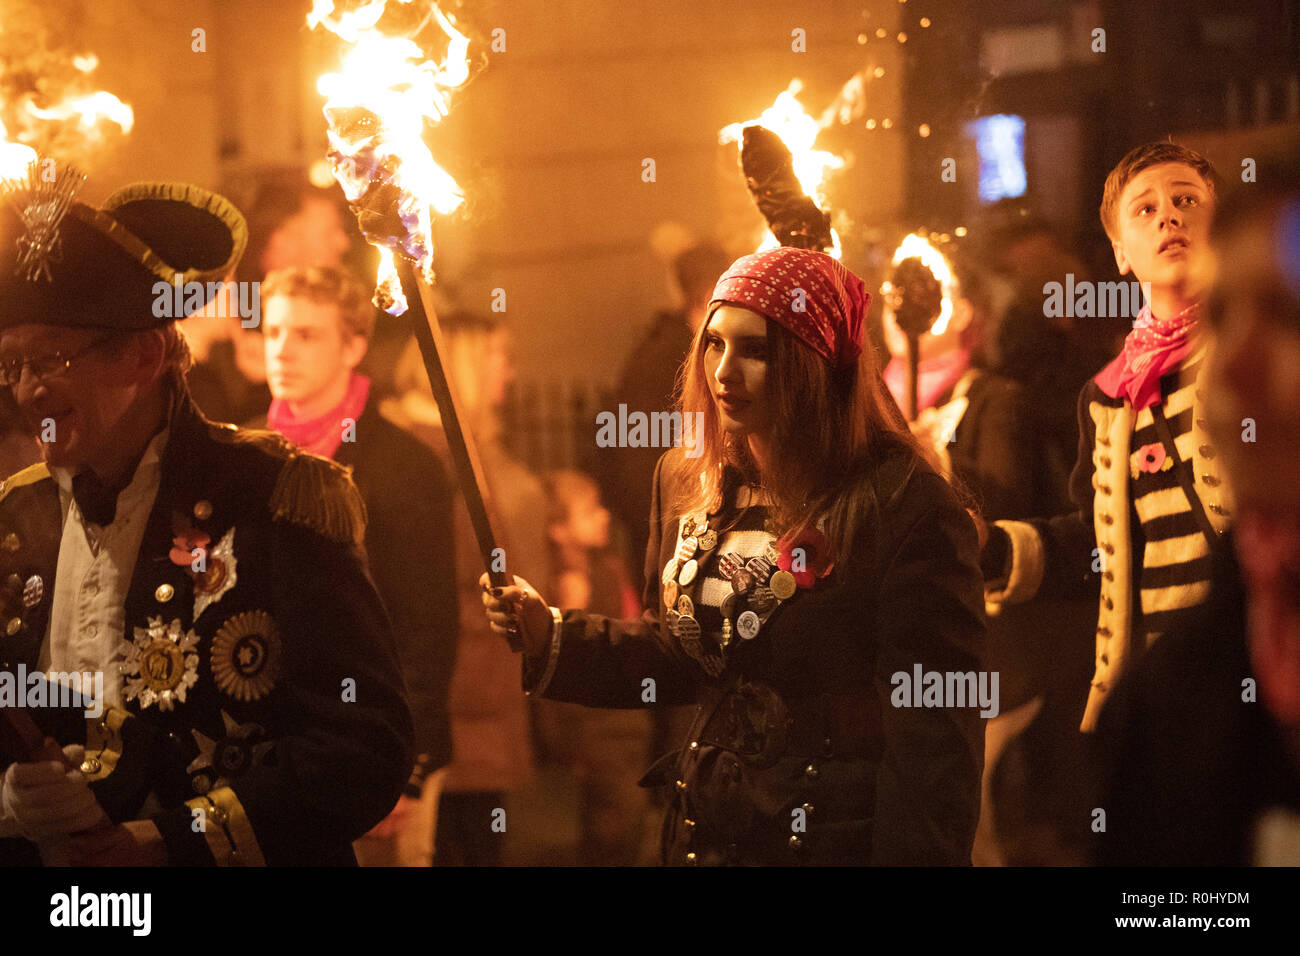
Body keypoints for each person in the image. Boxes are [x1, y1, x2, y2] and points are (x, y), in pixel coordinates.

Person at [482, 246, 987, 865]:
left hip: (835, 839)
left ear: (814, 365)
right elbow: (681, 653)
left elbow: (935, 737)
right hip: (710, 835)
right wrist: (552, 636)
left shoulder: (905, 507)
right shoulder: (686, 478)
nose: (724, 371)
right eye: (714, 344)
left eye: (756, 350)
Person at [0, 175, 412, 865]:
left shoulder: (276, 498)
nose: (26, 390)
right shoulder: (16, 517)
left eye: (52, 359)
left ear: (145, 354)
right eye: (13, 364)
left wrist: (170, 843)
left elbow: (361, 746)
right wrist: (13, 797)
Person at [978, 142, 1233, 733]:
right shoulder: (1108, 397)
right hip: (1160, 697)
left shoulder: (1260, 354)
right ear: (1120, 252)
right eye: (1144, 210)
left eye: (1186, 200)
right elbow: (1098, 543)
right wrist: (991, 548)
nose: (1168, 216)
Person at [1094, 168, 1300, 864]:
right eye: (1223, 313)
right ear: (1119, 250)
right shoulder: (1174, 694)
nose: (1235, 367)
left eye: (1289, 316)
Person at [259, 265, 458, 866]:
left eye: (306, 334)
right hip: (272, 748)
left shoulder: (402, 466)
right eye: (272, 332)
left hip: (371, 742)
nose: (283, 350)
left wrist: (407, 767)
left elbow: (427, 627)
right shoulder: (244, 454)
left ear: (354, 344)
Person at [383, 314, 546, 866]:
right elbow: (441, 585)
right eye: (499, 356)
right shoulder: (429, 457)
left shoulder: (465, 450)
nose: (510, 371)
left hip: (475, 701)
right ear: (466, 365)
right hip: (462, 702)